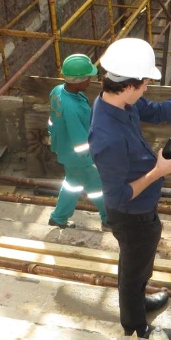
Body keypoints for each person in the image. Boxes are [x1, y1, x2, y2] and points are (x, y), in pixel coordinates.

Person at [89, 37, 171, 340]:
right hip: (130, 214)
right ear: (128, 84)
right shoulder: (107, 137)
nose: (147, 89)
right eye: (145, 84)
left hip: (143, 209)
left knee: (140, 264)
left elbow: (159, 112)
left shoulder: (120, 100)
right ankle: (136, 327)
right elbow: (115, 196)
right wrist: (158, 172)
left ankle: (140, 301)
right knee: (132, 269)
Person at [47, 54, 107, 230]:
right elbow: (80, 141)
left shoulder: (57, 91)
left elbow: (52, 120)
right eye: (88, 77)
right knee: (100, 189)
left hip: (66, 153)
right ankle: (110, 219)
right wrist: (92, 161)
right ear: (78, 81)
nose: (90, 80)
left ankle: (58, 218)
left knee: (72, 185)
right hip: (82, 159)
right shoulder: (72, 108)